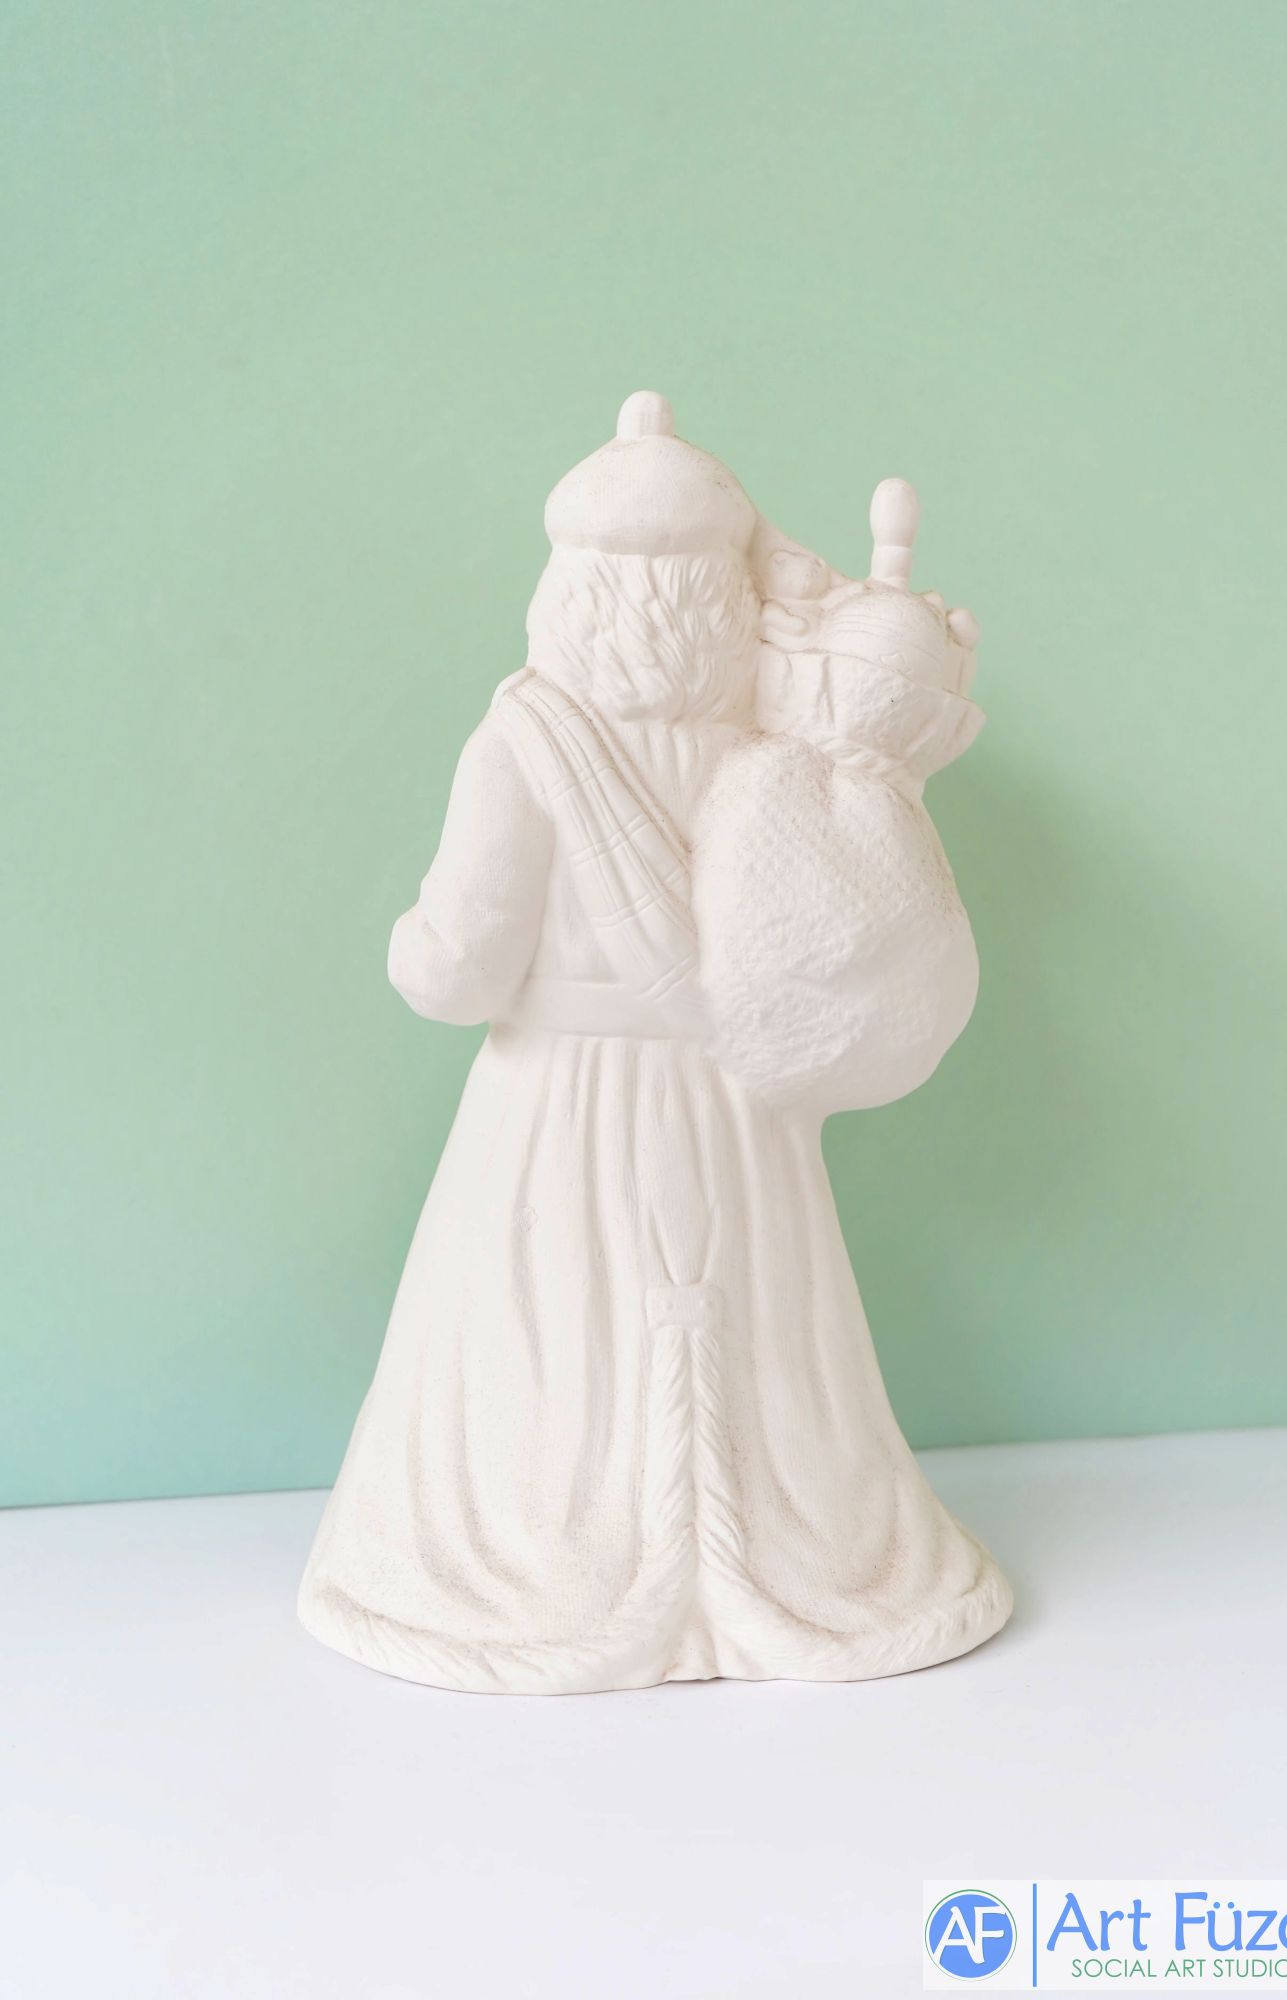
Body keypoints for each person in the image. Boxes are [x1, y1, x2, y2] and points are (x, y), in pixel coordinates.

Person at [298, 392, 1011, 1693]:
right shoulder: (776, 743)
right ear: (718, 594)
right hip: (731, 1101)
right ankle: (797, 1550)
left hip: (558, 1108)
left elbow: (461, 969)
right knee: (759, 1327)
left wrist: (412, 949)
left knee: (547, 1329)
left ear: (571, 588)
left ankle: (550, 1559)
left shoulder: (523, 739)